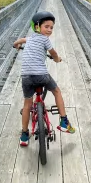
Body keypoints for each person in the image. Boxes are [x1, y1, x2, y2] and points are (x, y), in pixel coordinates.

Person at [12, 11, 75, 147]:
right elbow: (54, 53)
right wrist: (57, 60)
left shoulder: (30, 38)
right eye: (46, 26)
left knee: (27, 105)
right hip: (41, 75)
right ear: (37, 26)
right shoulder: (45, 40)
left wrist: (16, 45)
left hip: (26, 77)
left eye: (51, 27)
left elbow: (20, 40)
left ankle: (24, 135)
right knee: (57, 91)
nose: (49, 30)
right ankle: (64, 121)